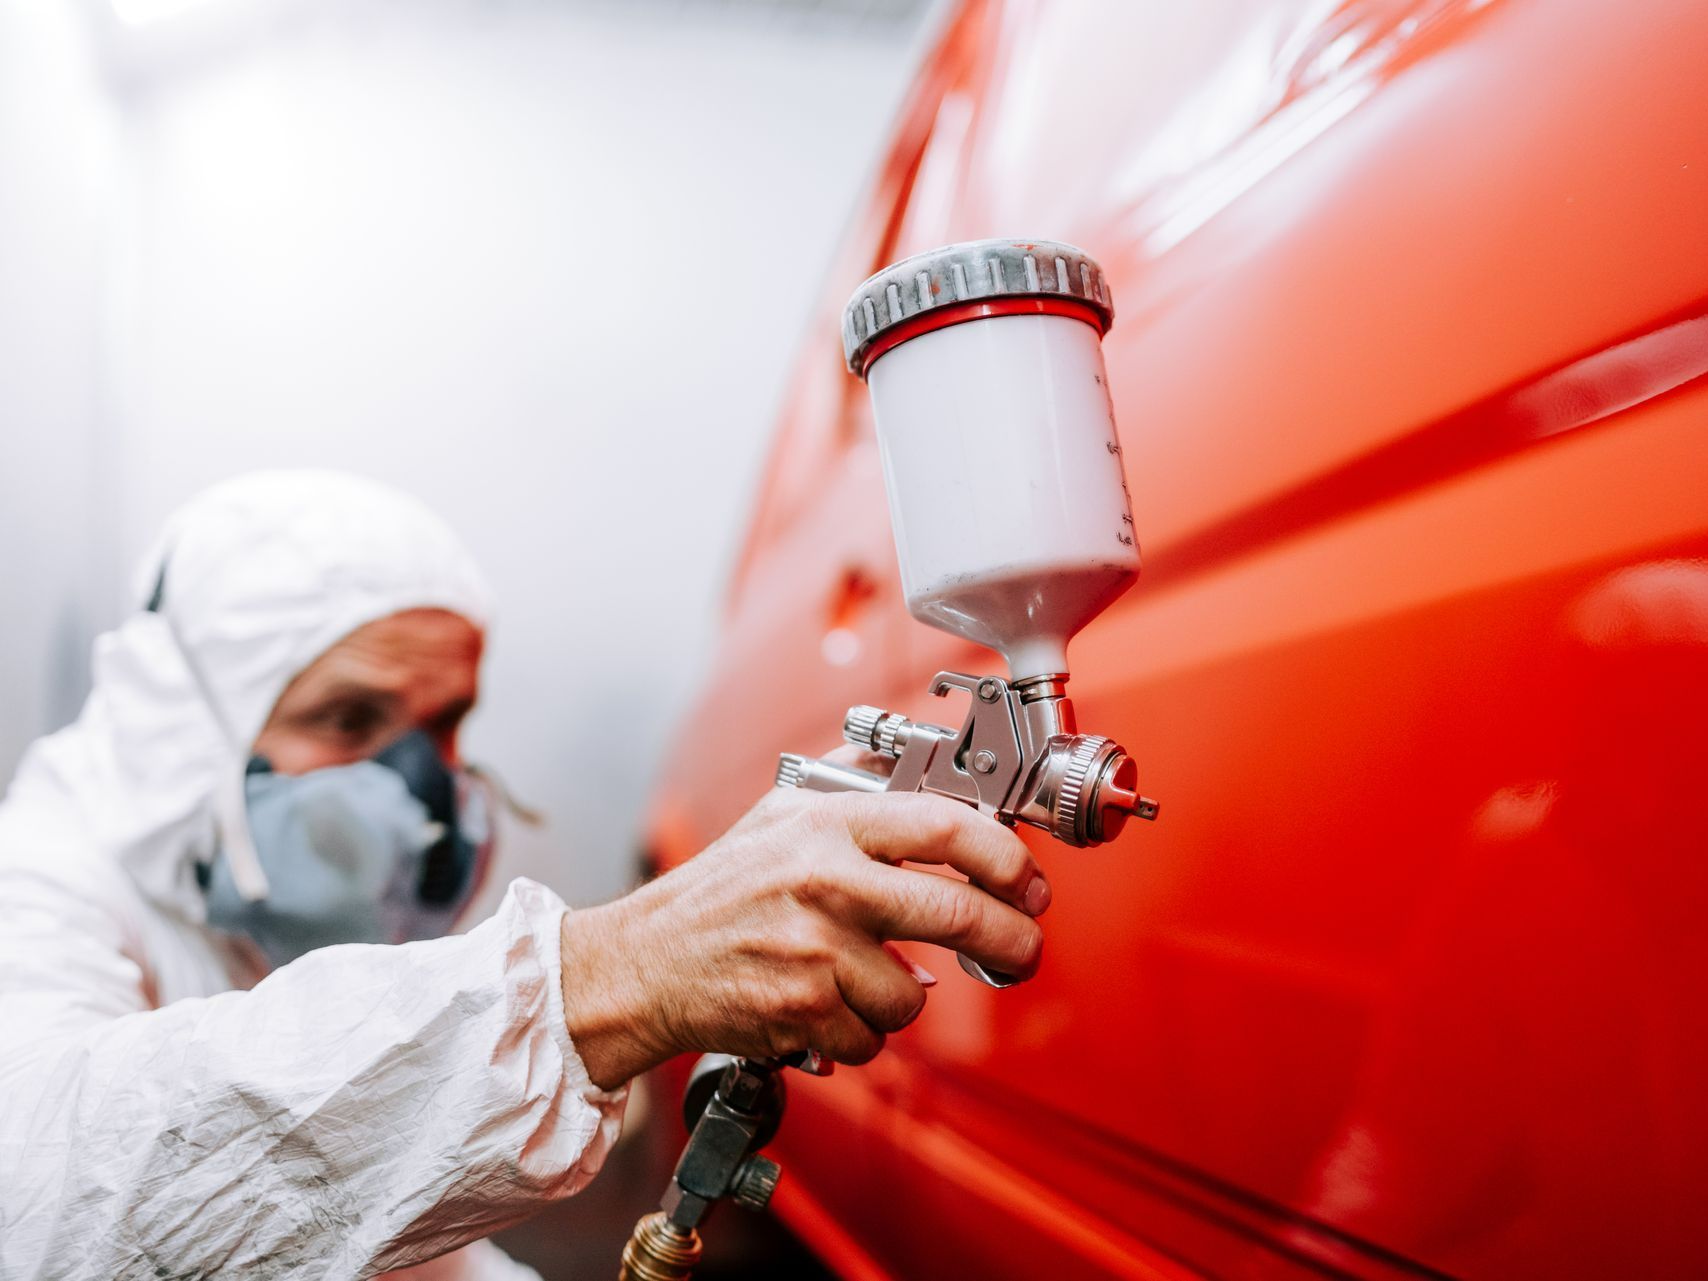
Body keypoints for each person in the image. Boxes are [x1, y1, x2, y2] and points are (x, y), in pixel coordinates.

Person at [0, 471, 1048, 1279]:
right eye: (351, 721)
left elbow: (375, 1240)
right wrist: (604, 978)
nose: (416, 796)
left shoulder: (261, 910)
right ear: (188, 732)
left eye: (445, 727)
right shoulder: (41, 886)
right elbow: (42, 1199)